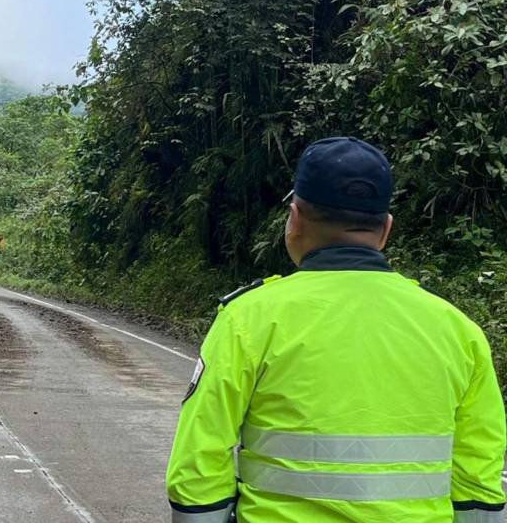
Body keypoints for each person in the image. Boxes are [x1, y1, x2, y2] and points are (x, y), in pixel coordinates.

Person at [166, 137, 505, 522]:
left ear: (293, 220)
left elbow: (200, 458)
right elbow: (478, 471)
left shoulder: (249, 318)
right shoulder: (456, 330)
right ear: (386, 229)